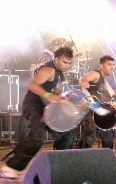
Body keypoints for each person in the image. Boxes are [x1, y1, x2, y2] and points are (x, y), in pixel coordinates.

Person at [0, 47, 74, 179]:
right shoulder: (48, 69)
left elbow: (50, 86)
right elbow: (32, 85)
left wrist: (59, 93)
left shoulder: (57, 70)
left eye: (69, 63)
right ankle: (10, 167)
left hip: (44, 107)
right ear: (56, 59)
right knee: (36, 138)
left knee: (65, 132)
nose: (67, 65)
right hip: (33, 106)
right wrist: (48, 95)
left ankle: (61, 165)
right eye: (64, 62)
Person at [76, 55, 116, 149]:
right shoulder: (96, 74)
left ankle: (106, 157)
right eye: (109, 64)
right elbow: (82, 80)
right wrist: (83, 82)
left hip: (97, 109)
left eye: (113, 65)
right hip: (90, 109)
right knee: (90, 136)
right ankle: (79, 157)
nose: (112, 67)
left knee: (108, 133)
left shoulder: (102, 80)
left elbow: (108, 93)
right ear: (102, 66)